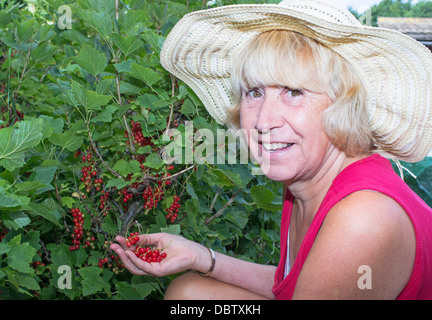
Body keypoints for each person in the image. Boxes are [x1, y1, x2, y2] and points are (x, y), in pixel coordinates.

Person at [110, 0, 432, 299]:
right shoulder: (306, 185)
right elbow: (294, 283)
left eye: (293, 91)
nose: (263, 121)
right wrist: (202, 257)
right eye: (254, 92)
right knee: (188, 293)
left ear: (341, 107)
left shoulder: (363, 218)